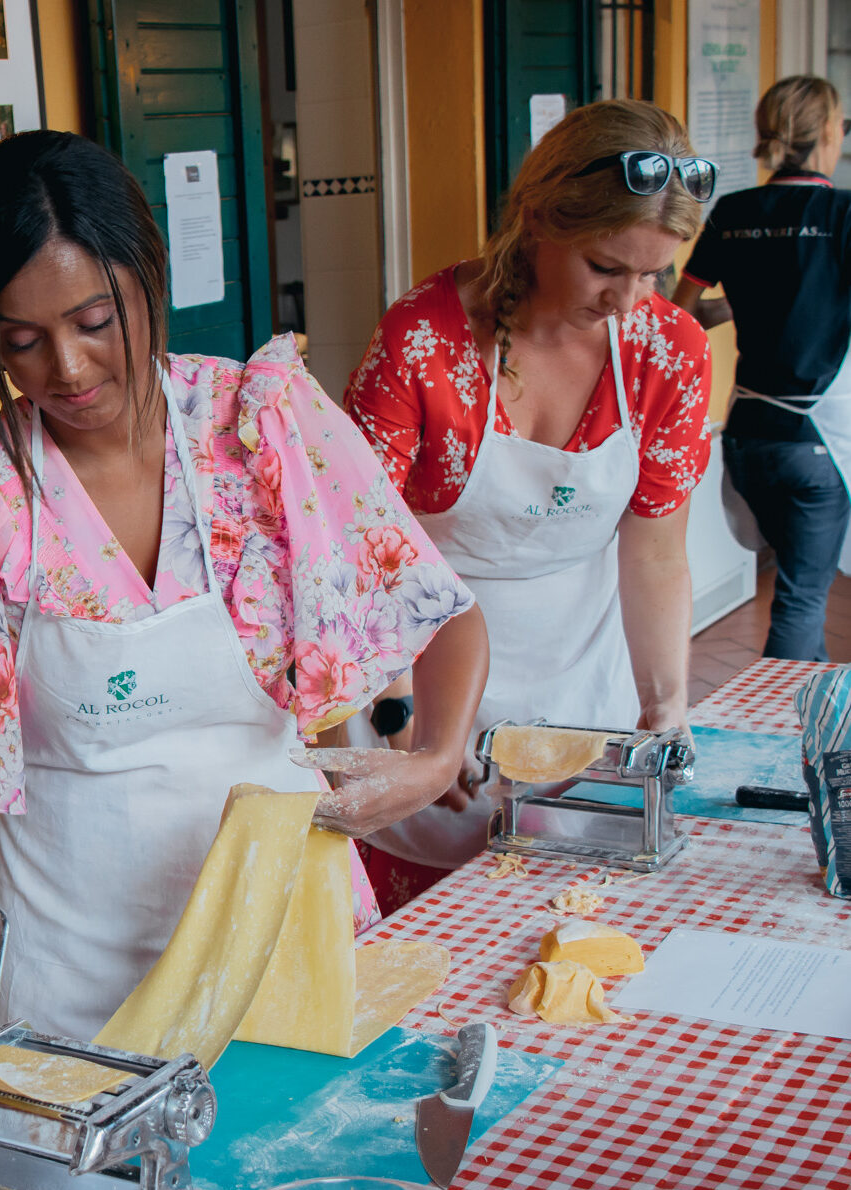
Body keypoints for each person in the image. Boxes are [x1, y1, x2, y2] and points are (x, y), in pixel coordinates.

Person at [0, 131, 487, 1042]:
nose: (68, 368)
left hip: (281, 930)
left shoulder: (261, 429)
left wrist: (438, 755)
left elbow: (439, 609)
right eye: (20, 341)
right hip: (74, 956)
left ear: (149, 276)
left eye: (96, 320)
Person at [345, 99, 714, 909]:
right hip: (419, 674)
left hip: (582, 688)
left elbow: (653, 550)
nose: (629, 298)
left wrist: (665, 707)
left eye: (654, 273)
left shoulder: (669, 354)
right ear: (540, 217)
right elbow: (359, 550)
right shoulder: (423, 341)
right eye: (605, 267)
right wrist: (405, 717)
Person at [673, 76, 851, 662]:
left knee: (799, 588)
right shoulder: (843, 214)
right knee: (801, 599)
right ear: (828, 132)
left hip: (748, 435)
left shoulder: (732, 212)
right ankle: (784, 737)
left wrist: (744, 304)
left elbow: (680, 315)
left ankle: (810, 721)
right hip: (818, 438)